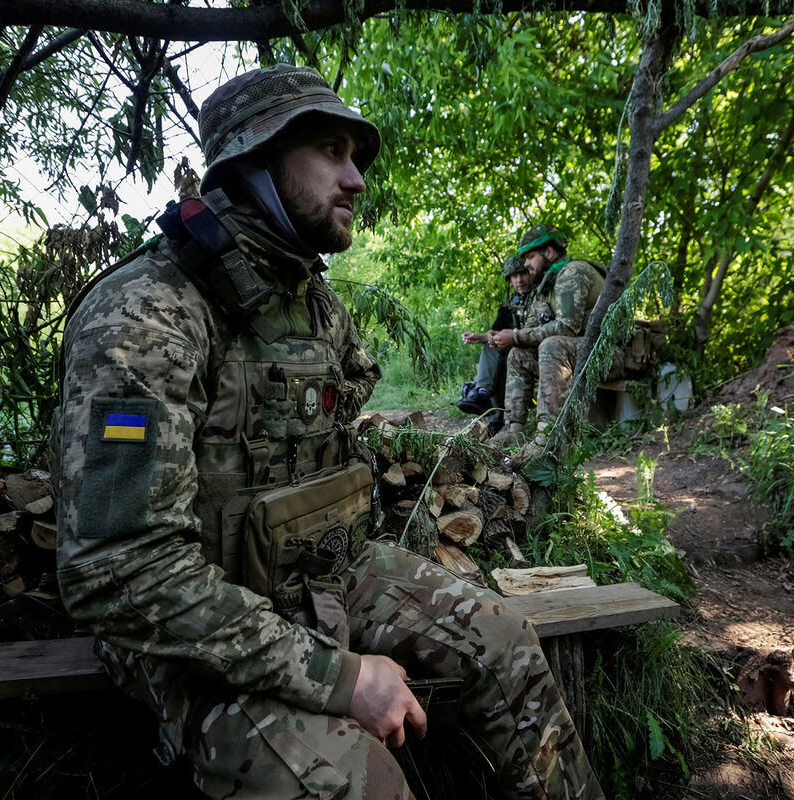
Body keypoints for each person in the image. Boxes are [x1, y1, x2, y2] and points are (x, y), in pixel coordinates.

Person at [53, 65, 603, 800]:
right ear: (255, 159)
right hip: (193, 633)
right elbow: (120, 572)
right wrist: (340, 678)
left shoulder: (311, 303)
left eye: (355, 157)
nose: (357, 179)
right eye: (330, 151)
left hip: (320, 580)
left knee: (506, 645)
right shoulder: (149, 313)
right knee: (358, 782)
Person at [489, 224, 604, 448]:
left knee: (551, 345)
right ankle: (514, 429)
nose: (526, 265)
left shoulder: (573, 272)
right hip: (582, 350)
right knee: (518, 354)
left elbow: (567, 327)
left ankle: (548, 435)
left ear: (548, 253)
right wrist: (510, 337)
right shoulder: (547, 284)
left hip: (608, 351)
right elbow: (531, 326)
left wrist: (517, 334)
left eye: (530, 257)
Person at [457, 254, 533, 420]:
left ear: (531, 272)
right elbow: (497, 332)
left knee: (504, 358)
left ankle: (487, 402)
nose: (519, 280)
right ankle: (484, 396)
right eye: (514, 276)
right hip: (519, 346)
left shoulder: (540, 296)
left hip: (537, 348)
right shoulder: (512, 302)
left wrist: (512, 337)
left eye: (523, 274)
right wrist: (482, 337)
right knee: (491, 346)